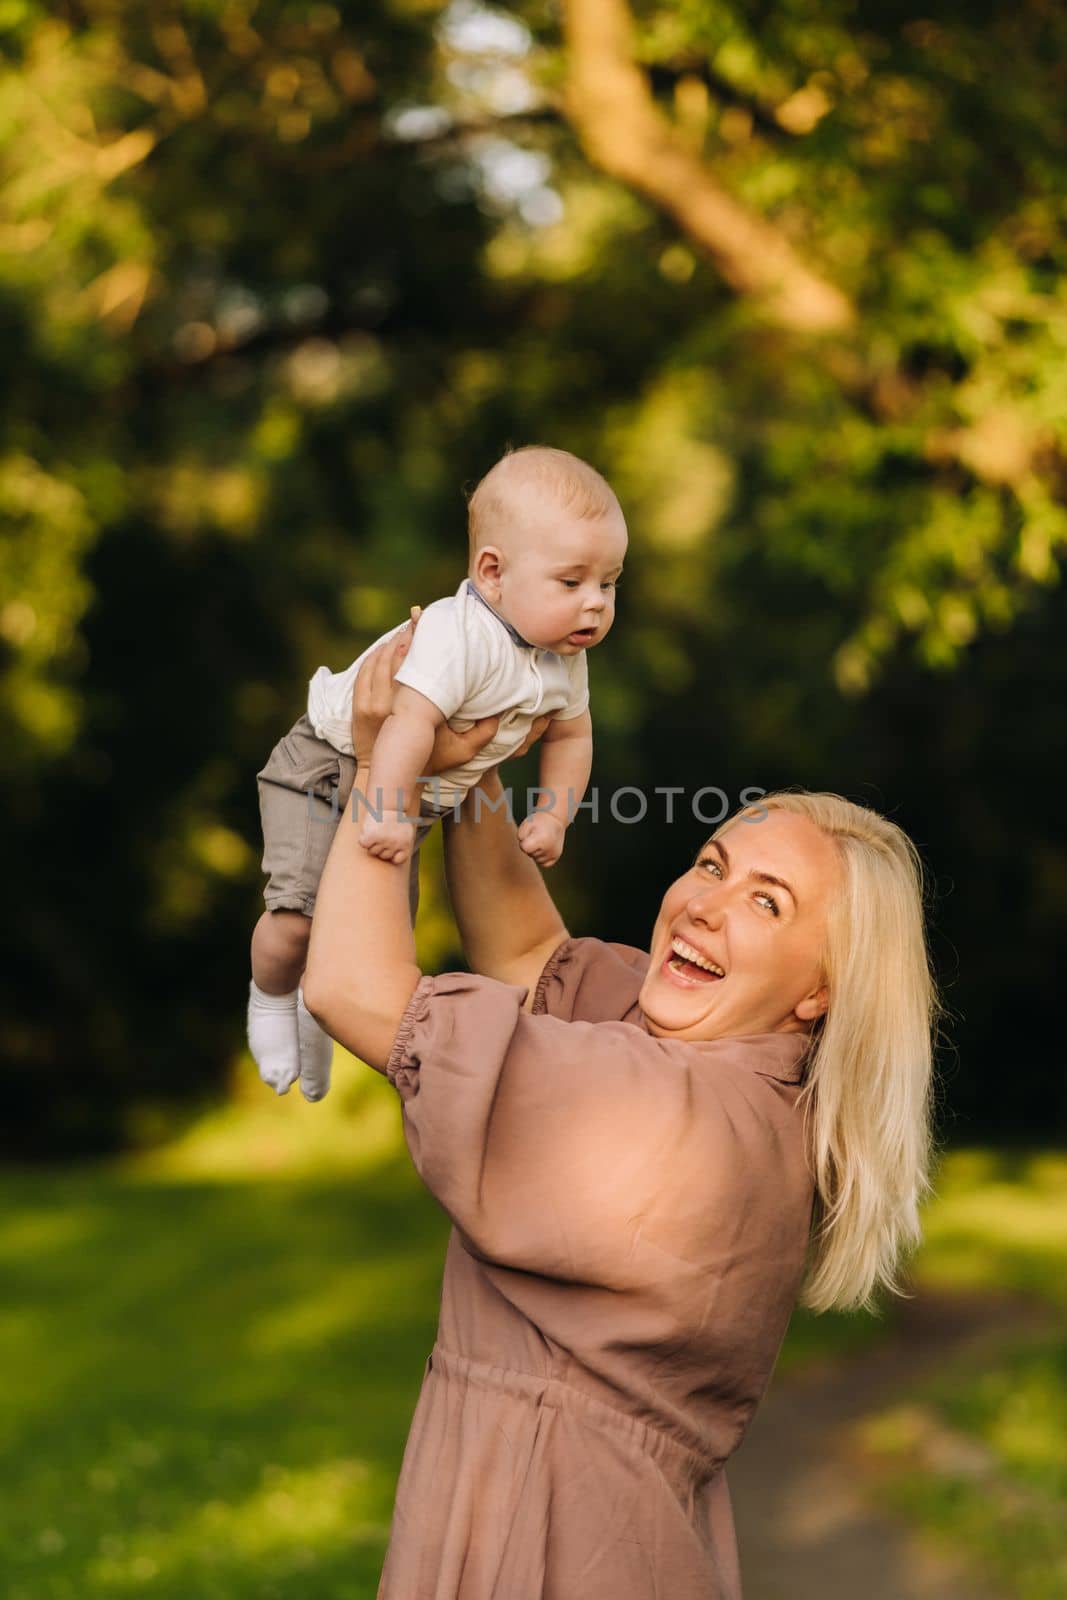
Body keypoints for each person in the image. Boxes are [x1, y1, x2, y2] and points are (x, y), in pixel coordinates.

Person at [297, 623, 940, 1600]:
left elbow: (351, 985)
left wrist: (386, 764)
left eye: (767, 904)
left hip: (546, 1545)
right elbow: (525, 955)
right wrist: (466, 756)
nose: (705, 905)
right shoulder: (732, 1075)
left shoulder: (671, 1121)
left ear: (820, 990)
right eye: (714, 864)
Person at [247, 445, 628, 1100]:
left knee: (365, 934)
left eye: (609, 582)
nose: (594, 604)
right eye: (571, 582)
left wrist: (552, 813)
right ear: (492, 573)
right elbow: (403, 727)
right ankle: (271, 998)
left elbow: (572, 734)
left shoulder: (563, 658)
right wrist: (388, 811)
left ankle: (315, 1015)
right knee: (298, 923)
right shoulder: (460, 635)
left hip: (414, 792)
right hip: (329, 766)